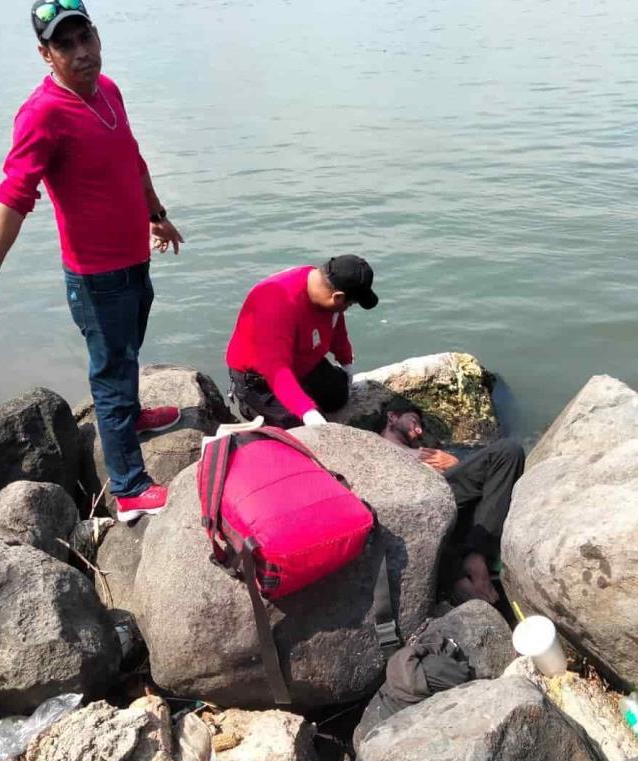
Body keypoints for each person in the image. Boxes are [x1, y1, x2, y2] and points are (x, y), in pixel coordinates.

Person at [0, 0, 186, 522]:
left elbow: (132, 155)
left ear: (97, 37)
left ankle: (130, 415)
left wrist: (156, 213)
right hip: (97, 275)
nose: (81, 53)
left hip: (133, 259)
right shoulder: (42, 114)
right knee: (109, 369)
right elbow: (13, 194)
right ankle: (127, 487)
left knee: (126, 351)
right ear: (45, 54)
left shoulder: (108, 90)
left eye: (86, 39)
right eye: (65, 45)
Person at [379, 398, 525, 604]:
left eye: (420, 426)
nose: (419, 431)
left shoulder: (429, 450)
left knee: (509, 451)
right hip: (413, 506)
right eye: (414, 421)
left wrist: (456, 463)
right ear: (392, 417)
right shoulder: (373, 445)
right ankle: (458, 579)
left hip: (449, 495)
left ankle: (477, 556)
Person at [225, 256, 377, 429]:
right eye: (349, 304)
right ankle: (251, 405)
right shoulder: (275, 305)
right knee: (301, 428)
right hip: (262, 379)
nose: (346, 308)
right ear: (337, 297)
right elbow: (276, 370)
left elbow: (336, 326)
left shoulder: (323, 284)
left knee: (339, 396)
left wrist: (347, 363)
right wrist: (307, 412)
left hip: (304, 361)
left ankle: (305, 393)